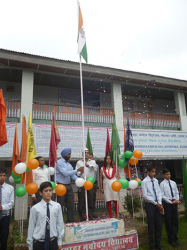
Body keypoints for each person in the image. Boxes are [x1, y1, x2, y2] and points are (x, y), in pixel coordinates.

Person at [27, 182, 64, 250]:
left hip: (52, 241)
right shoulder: (35, 208)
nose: (48, 193)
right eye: (46, 191)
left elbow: (60, 224)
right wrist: (30, 245)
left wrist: (59, 241)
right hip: (39, 242)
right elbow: (31, 226)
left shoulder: (57, 206)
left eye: (50, 190)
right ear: (40, 193)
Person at [56, 148, 84, 223]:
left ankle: (70, 220)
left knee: (71, 204)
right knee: (60, 205)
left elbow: (72, 176)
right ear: (64, 154)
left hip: (68, 186)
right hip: (60, 186)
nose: (70, 155)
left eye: (70, 154)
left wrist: (79, 178)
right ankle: (59, 222)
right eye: (68, 154)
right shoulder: (59, 162)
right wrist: (77, 170)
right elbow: (65, 173)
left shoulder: (69, 164)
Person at [142, 165, 164, 250]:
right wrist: (155, 203)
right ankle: (152, 246)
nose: (154, 173)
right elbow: (145, 196)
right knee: (151, 225)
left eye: (155, 172)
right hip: (150, 205)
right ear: (148, 172)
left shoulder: (156, 181)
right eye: (152, 172)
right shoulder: (145, 182)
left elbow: (158, 192)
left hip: (157, 204)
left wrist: (160, 203)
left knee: (158, 224)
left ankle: (158, 244)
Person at [160, 168, 181, 248]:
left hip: (174, 203)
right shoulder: (162, 184)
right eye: (167, 174)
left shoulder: (173, 183)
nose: (168, 176)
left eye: (169, 174)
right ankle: (171, 239)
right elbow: (162, 195)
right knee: (168, 222)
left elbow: (176, 192)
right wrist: (170, 202)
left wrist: (177, 199)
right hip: (167, 204)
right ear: (163, 175)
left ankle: (175, 238)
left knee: (175, 221)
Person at [76, 149, 98, 221]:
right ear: (82, 154)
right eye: (85, 153)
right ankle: (82, 217)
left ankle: (90, 216)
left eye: (88, 153)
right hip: (82, 183)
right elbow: (77, 173)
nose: (86, 154)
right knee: (82, 202)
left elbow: (95, 169)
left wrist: (87, 165)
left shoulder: (93, 161)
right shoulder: (79, 162)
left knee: (90, 201)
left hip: (90, 184)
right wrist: (80, 172)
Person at [0, 168, 14, 250]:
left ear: (6, 177)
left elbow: (11, 203)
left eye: (4, 175)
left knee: (4, 237)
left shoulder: (10, 188)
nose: (2, 177)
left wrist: (2, 207)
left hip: (5, 216)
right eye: (0, 175)